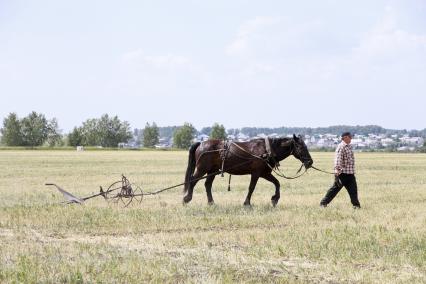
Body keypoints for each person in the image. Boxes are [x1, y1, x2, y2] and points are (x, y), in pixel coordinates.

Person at [320, 132, 361, 208]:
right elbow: (338, 159)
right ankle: (323, 203)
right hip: (342, 174)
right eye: (350, 137)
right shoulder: (341, 147)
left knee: (353, 191)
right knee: (334, 190)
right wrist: (337, 171)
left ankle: (356, 206)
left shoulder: (349, 146)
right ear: (345, 137)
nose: (351, 138)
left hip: (350, 173)